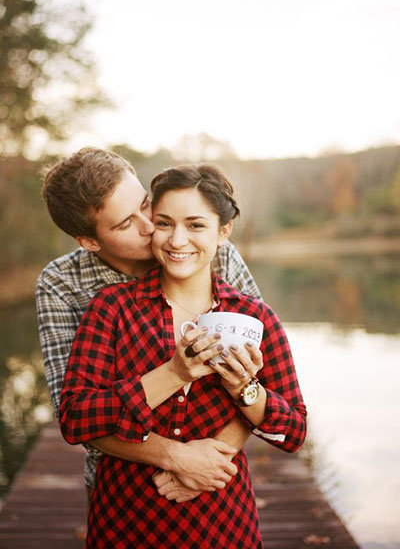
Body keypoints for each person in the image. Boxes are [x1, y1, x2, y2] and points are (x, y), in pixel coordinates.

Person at [59, 164, 307, 548]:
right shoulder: (111, 308)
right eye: (164, 223)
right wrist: (174, 373)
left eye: (195, 225)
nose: (177, 240)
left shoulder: (254, 318)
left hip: (222, 521)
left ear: (223, 231)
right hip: (126, 521)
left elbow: (293, 432)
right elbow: (75, 418)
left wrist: (246, 389)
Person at [36, 147, 262, 502]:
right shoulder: (62, 283)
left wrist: (210, 462)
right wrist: (177, 457)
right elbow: (76, 413)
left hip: (218, 474)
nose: (150, 228)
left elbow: (262, 372)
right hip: (120, 484)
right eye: (126, 223)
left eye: (144, 204)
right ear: (90, 241)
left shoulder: (205, 251)